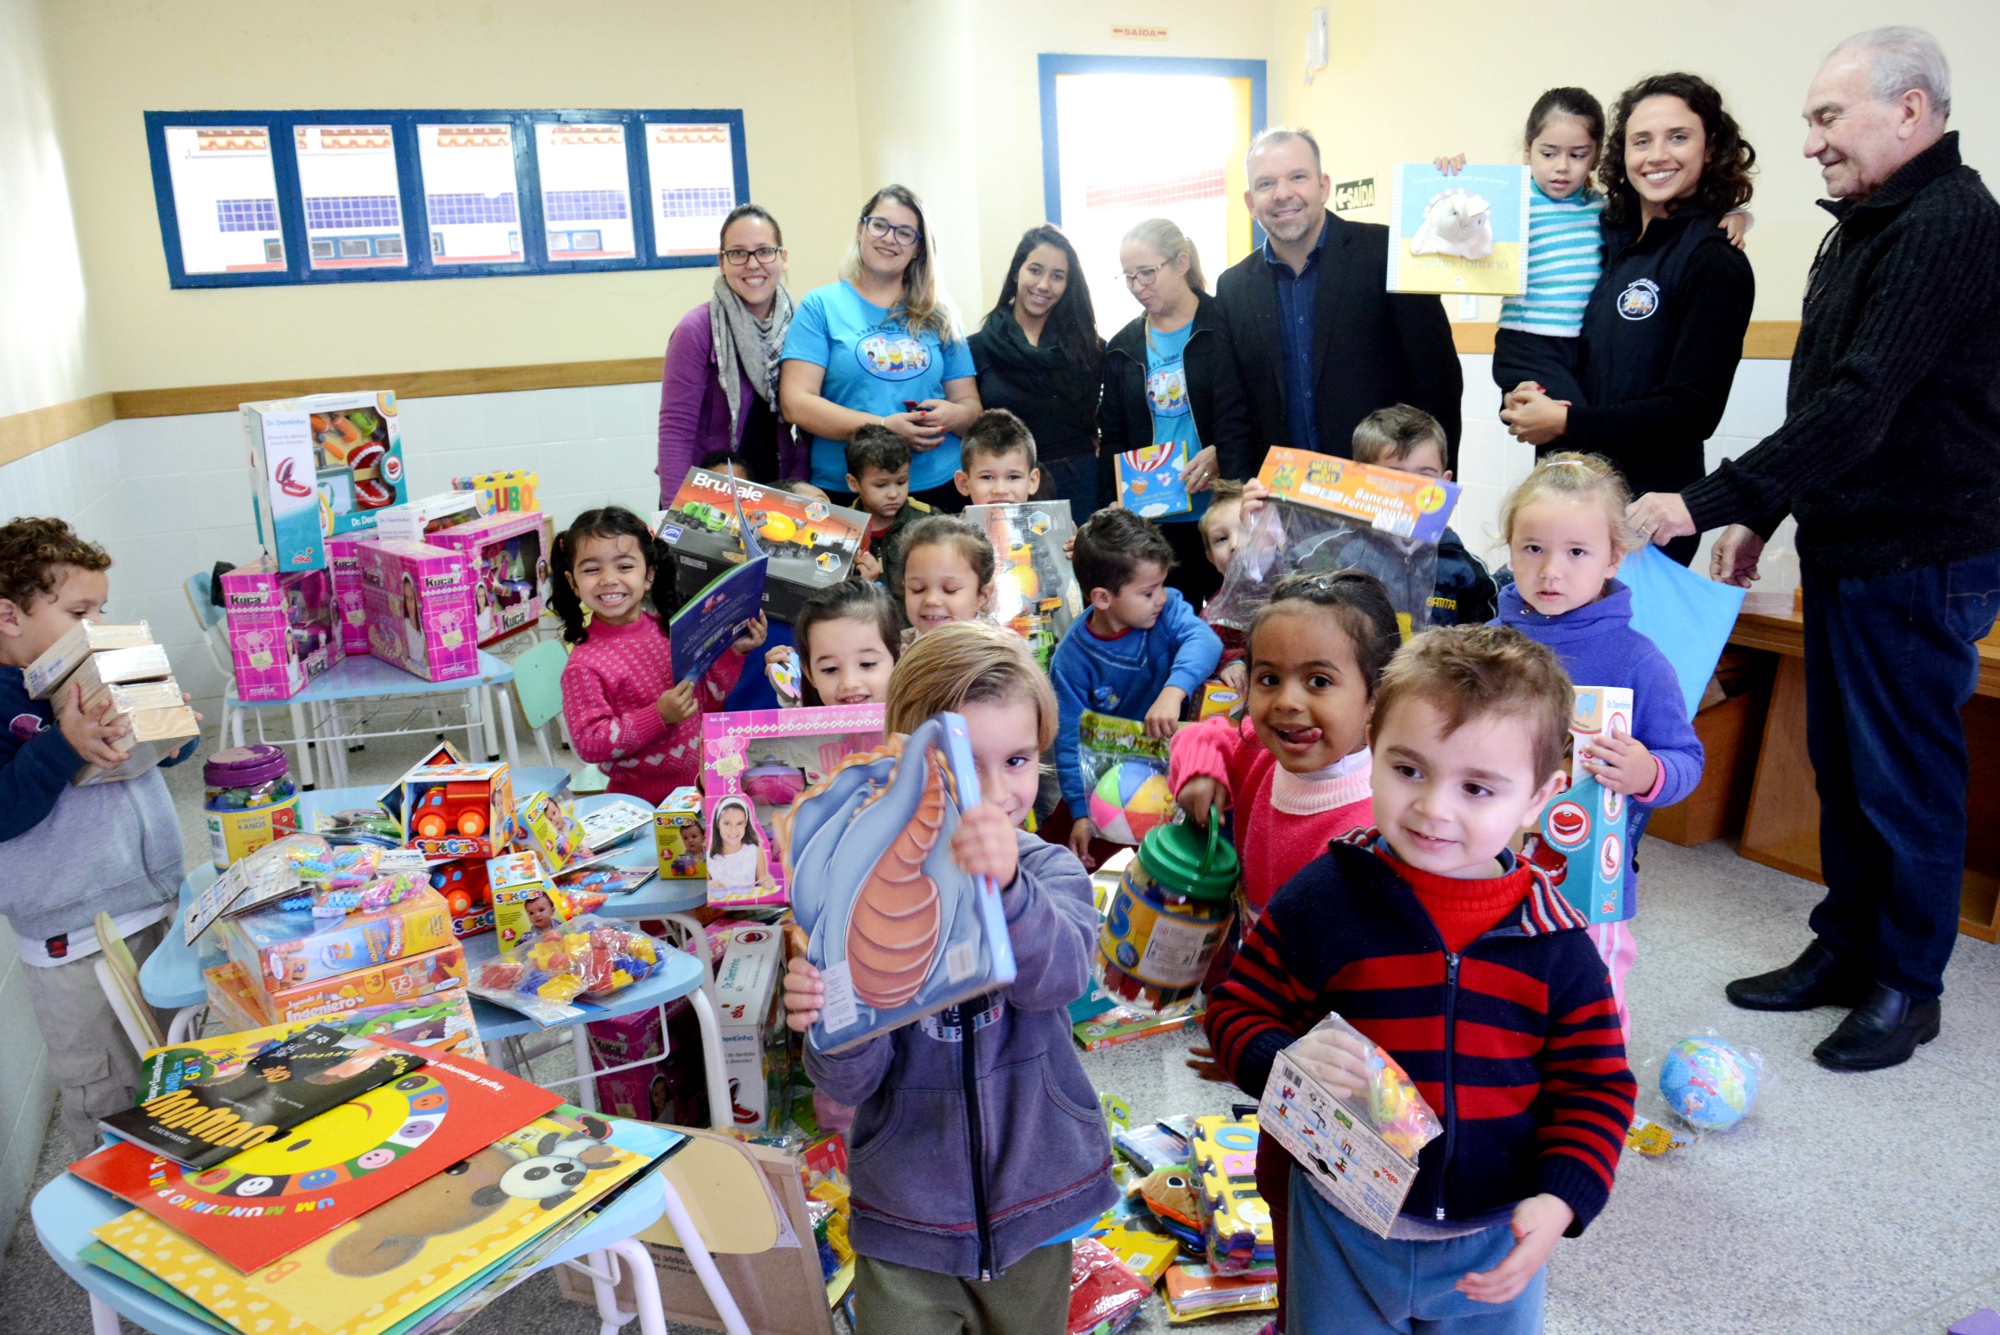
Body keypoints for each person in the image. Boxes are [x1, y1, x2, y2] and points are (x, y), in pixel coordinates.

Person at [1629, 27, 2000, 1071]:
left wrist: (1705, 502)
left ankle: (1904, 985)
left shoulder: (1945, 225)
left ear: (1910, 113)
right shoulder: (1865, 226)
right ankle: (1843, 947)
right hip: (1854, 543)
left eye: (1826, 118)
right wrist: (1762, 515)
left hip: (1920, 553)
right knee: (1844, 768)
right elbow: (1826, 405)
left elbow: (1861, 402)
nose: (1808, 144)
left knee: (1903, 778)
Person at [1206, 625, 1635, 1335]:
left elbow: (1597, 1085)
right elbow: (1236, 1006)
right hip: (1341, 1223)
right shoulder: (1325, 897)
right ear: (1372, 752)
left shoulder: (1557, 942)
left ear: (1539, 797)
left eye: (1477, 787)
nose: (1435, 808)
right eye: (1409, 769)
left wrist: (1562, 1199)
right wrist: (1280, 1057)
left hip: (1495, 1238)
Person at [781, 621, 1117, 1330]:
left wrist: (1008, 890)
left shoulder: (1048, 869)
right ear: (911, 767)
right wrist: (828, 1020)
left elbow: (1056, 977)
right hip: (907, 1213)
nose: (996, 794)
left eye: (1019, 760)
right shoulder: (871, 896)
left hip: (1035, 1197)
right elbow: (846, 1084)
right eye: (968, 767)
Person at [0, 518, 201, 1157]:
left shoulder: (89, 673)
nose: (96, 626)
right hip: (72, 943)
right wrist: (61, 744)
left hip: (154, 904)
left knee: (179, 1069)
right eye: (78, 611)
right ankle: (118, 1210)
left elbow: (137, 758)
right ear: (9, 616)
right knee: (109, 1090)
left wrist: (168, 732)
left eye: (101, 610)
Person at [1502, 74, 1756, 566]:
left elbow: (1691, 410)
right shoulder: (1605, 238)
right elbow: (1557, 343)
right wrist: (1522, 401)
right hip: (1567, 509)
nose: (1657, 155)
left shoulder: (1713, 259)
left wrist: (1566, 421)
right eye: (1642, 141)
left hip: (1647, 519)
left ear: (1711, 149)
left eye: (1678, 137)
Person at [1494, 454, 1703, 1037]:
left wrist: (1647, 772)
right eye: (1532, 548)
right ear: (1509, 547)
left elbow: (1687, 760)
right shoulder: (1487, 647)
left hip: (1592, 884)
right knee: (1497, 986)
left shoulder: (1639, 660)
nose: (1550, 571)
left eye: (1577, 552)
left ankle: (1594, 1088)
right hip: (1490, 867)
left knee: (1590, 1000)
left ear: (1614, 556)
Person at [1215, 127, 1462, 478]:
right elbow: (1233, 416)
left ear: (1323, 186)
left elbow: (1439, 384)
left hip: (1385, 495)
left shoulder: (1389, 254)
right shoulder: (1233, 288)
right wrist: (1239, 502)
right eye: (1266, 184)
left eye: (1297, 177)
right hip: (1285, 504)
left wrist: (1434, 490)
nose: (1283, 193)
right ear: (1250, 202)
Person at [780, 185, 981, 512]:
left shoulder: (940, 314)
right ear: (861, 229)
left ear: (918, 248)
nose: (890, 238)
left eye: (905, 233)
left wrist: (954, 415)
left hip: (938, 485)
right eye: (880, 225)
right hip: (848, 489)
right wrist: (883, 427)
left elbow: (971, 407)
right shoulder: (821, 306)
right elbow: (796, 403)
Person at [553, 506, 767, 805]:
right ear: (573, 582)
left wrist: (734, 652)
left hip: (700, 788)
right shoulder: (584, 665)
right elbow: (590, 744)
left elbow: (707, 701)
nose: (608, 579)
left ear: (649, 574)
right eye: (591, 569)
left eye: (625, 566)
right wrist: (658, 716)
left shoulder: (668, 630)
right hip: (638, 805)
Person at [1051, 508, 1222, 867]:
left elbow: (1204, 641)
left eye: (1162, 584)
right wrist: (1082, 813)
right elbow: (1068, 739)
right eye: (1148, 591)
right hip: (1108, 785)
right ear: (1101, 598)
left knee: (1178, 863)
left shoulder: (1169, 607)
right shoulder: (1071, 661)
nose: (1161, 597)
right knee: (1064, 851)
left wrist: (1173, 691)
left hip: (1173, 771)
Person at [1097, 217, 1252, 607]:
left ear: (1181, 262)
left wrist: (1221, 451)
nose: (1137, 287)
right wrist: (1112, 503)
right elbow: (1113, 435)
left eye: (1146, 273)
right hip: (1154, 521)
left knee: (1232, 629)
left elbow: (1254, 408)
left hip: (1221, 516)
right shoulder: (1122, 347)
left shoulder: (1226, 325)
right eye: (1129, 277)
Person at [657, 204, 802, 499]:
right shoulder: (696, 329)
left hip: (776, 489)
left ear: (783, 258)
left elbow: (808, 428)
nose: (752, 264)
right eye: (738, 253)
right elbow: (676, 430)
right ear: (722, 262)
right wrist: (675, 515)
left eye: (764, 251)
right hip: (707, 495)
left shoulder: (802, 327)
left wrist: (798, 491)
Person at [970, 225, 1104, 515]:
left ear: (1068, 285)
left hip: (1079, 482)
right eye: (1035, 270)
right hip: (1006, 488)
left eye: (1058, 276)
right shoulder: (976, 347)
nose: (1044, 285)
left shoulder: (1089, 348)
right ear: (1017, 272)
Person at [1349, 406, 1498, 625]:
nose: (1410, 489)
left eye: (1424, 476)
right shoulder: (1328, 555)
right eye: (1393, 476)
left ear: (1445, 484)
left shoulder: (1466, 571)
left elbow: (1482, 650)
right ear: (1360, 480)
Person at [776, 577, 902, 708]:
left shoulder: (919, 724)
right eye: (830, 669)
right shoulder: (798, 725)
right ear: (809, 674)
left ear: (899, 659)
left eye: (867, 664)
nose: (849, 683)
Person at [892, 514, 996, 639]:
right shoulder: (894, 648)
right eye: (917, 589)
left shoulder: (998, 653)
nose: (931, 600)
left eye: (949, 590)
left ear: (982, 595)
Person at [844, 426, 926, 583]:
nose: (893, 494)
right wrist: (860, 584)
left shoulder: (928, 521)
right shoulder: (841, 530)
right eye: (881, 485)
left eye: (901, 482)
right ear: (854, 483)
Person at [1196, 479, 1249, 691]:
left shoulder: (1298, 595)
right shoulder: (1215, 612)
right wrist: (1230, 662)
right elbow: (1201, 649)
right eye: (1222, 539)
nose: (1235, 545)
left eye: (1247, 530)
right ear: (1211, 559)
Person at [955, 409, 1042, 507]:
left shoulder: (1045, 522)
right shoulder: (951, 523)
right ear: (963, 483)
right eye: (987, 477)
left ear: (1032, 481)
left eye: (1013, 477)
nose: (1000, 490)